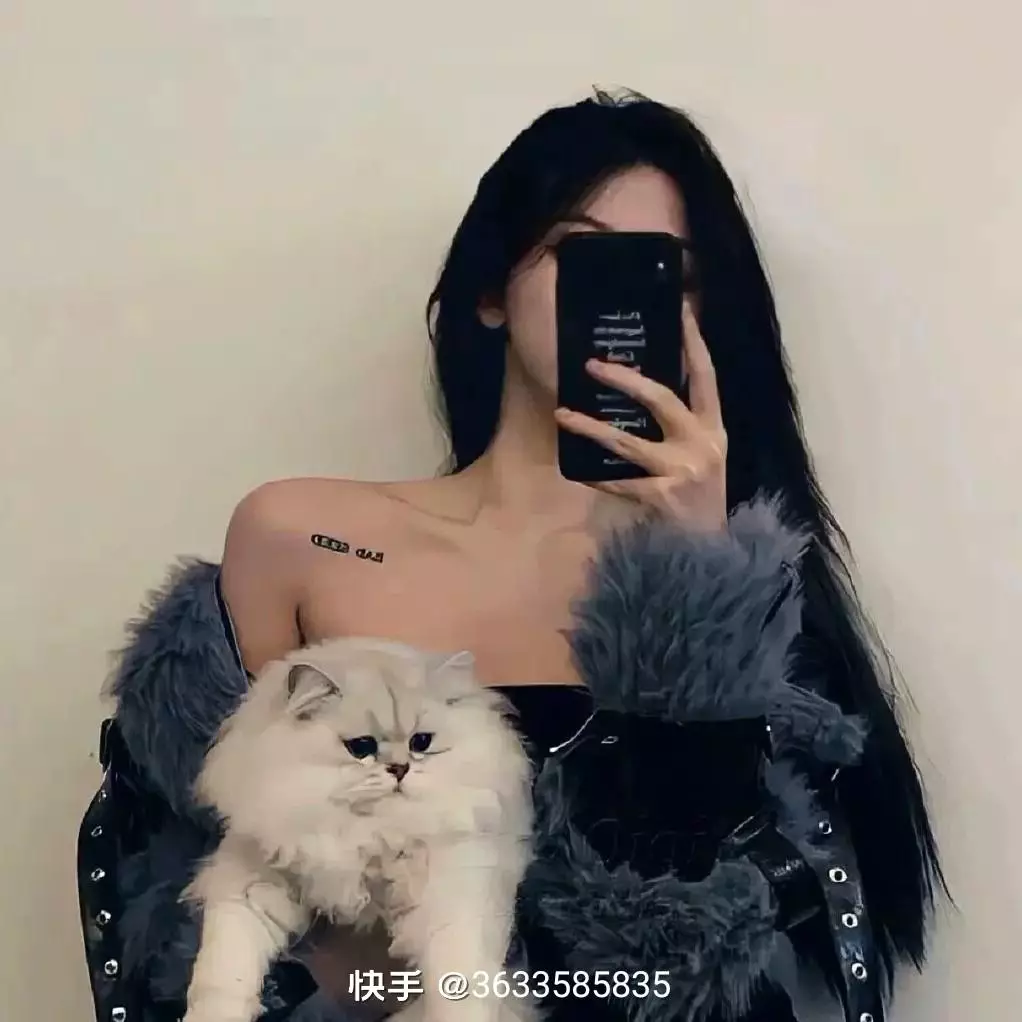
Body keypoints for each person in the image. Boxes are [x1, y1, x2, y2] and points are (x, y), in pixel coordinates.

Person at [77, 89, 944, 1022]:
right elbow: (208, 896)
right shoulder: (299, 535)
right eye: (581, 253)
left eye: (664, 272)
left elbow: (693, 951)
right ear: (491, 291)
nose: (620, 298)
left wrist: (697, 578)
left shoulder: (742, 587)